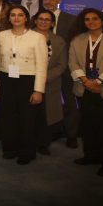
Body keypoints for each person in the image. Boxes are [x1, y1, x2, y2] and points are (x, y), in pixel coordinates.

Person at [68, 8, 103, 177]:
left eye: (94, 19)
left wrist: (99, 82)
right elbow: (73, 62)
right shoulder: (77, 40)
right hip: (85, 89)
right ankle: (91, 156)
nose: (91, 22)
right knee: (89, 126)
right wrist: (86, 81)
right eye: (87, 19)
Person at [0, 5, 48, 165]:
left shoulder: (37, 37)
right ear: (9, 18)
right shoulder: (2, 35)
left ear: (26, 18)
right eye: (13, 15)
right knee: (7, 116)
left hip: (27, 80)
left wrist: (38, 90)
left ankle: (27, 151)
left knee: (27, 118)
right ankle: (10, 148)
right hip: (5, 79)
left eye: (20, 15)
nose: (16, 18)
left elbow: (42, 66)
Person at [42, 0, 79, 148]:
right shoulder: (37, 19)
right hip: (46, 70)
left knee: (70, 102)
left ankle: (72, 135)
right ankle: (50, 132)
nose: (48, 2)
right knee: (49, 102)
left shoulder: (72, 19)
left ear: (59, 0)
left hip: (67, 68)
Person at [32, 9, 66, 156]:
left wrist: (45, 77)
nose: (43, 22)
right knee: (29, 114)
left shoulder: (59, 41)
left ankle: (43, 144)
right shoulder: (25, 36)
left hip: (50, 84)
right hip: (29, 81)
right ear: (35, 21)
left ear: (52, 23)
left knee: (47, 114)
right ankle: (28, 142)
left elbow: (61, 65)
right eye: (41, 19)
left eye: (47, 20)